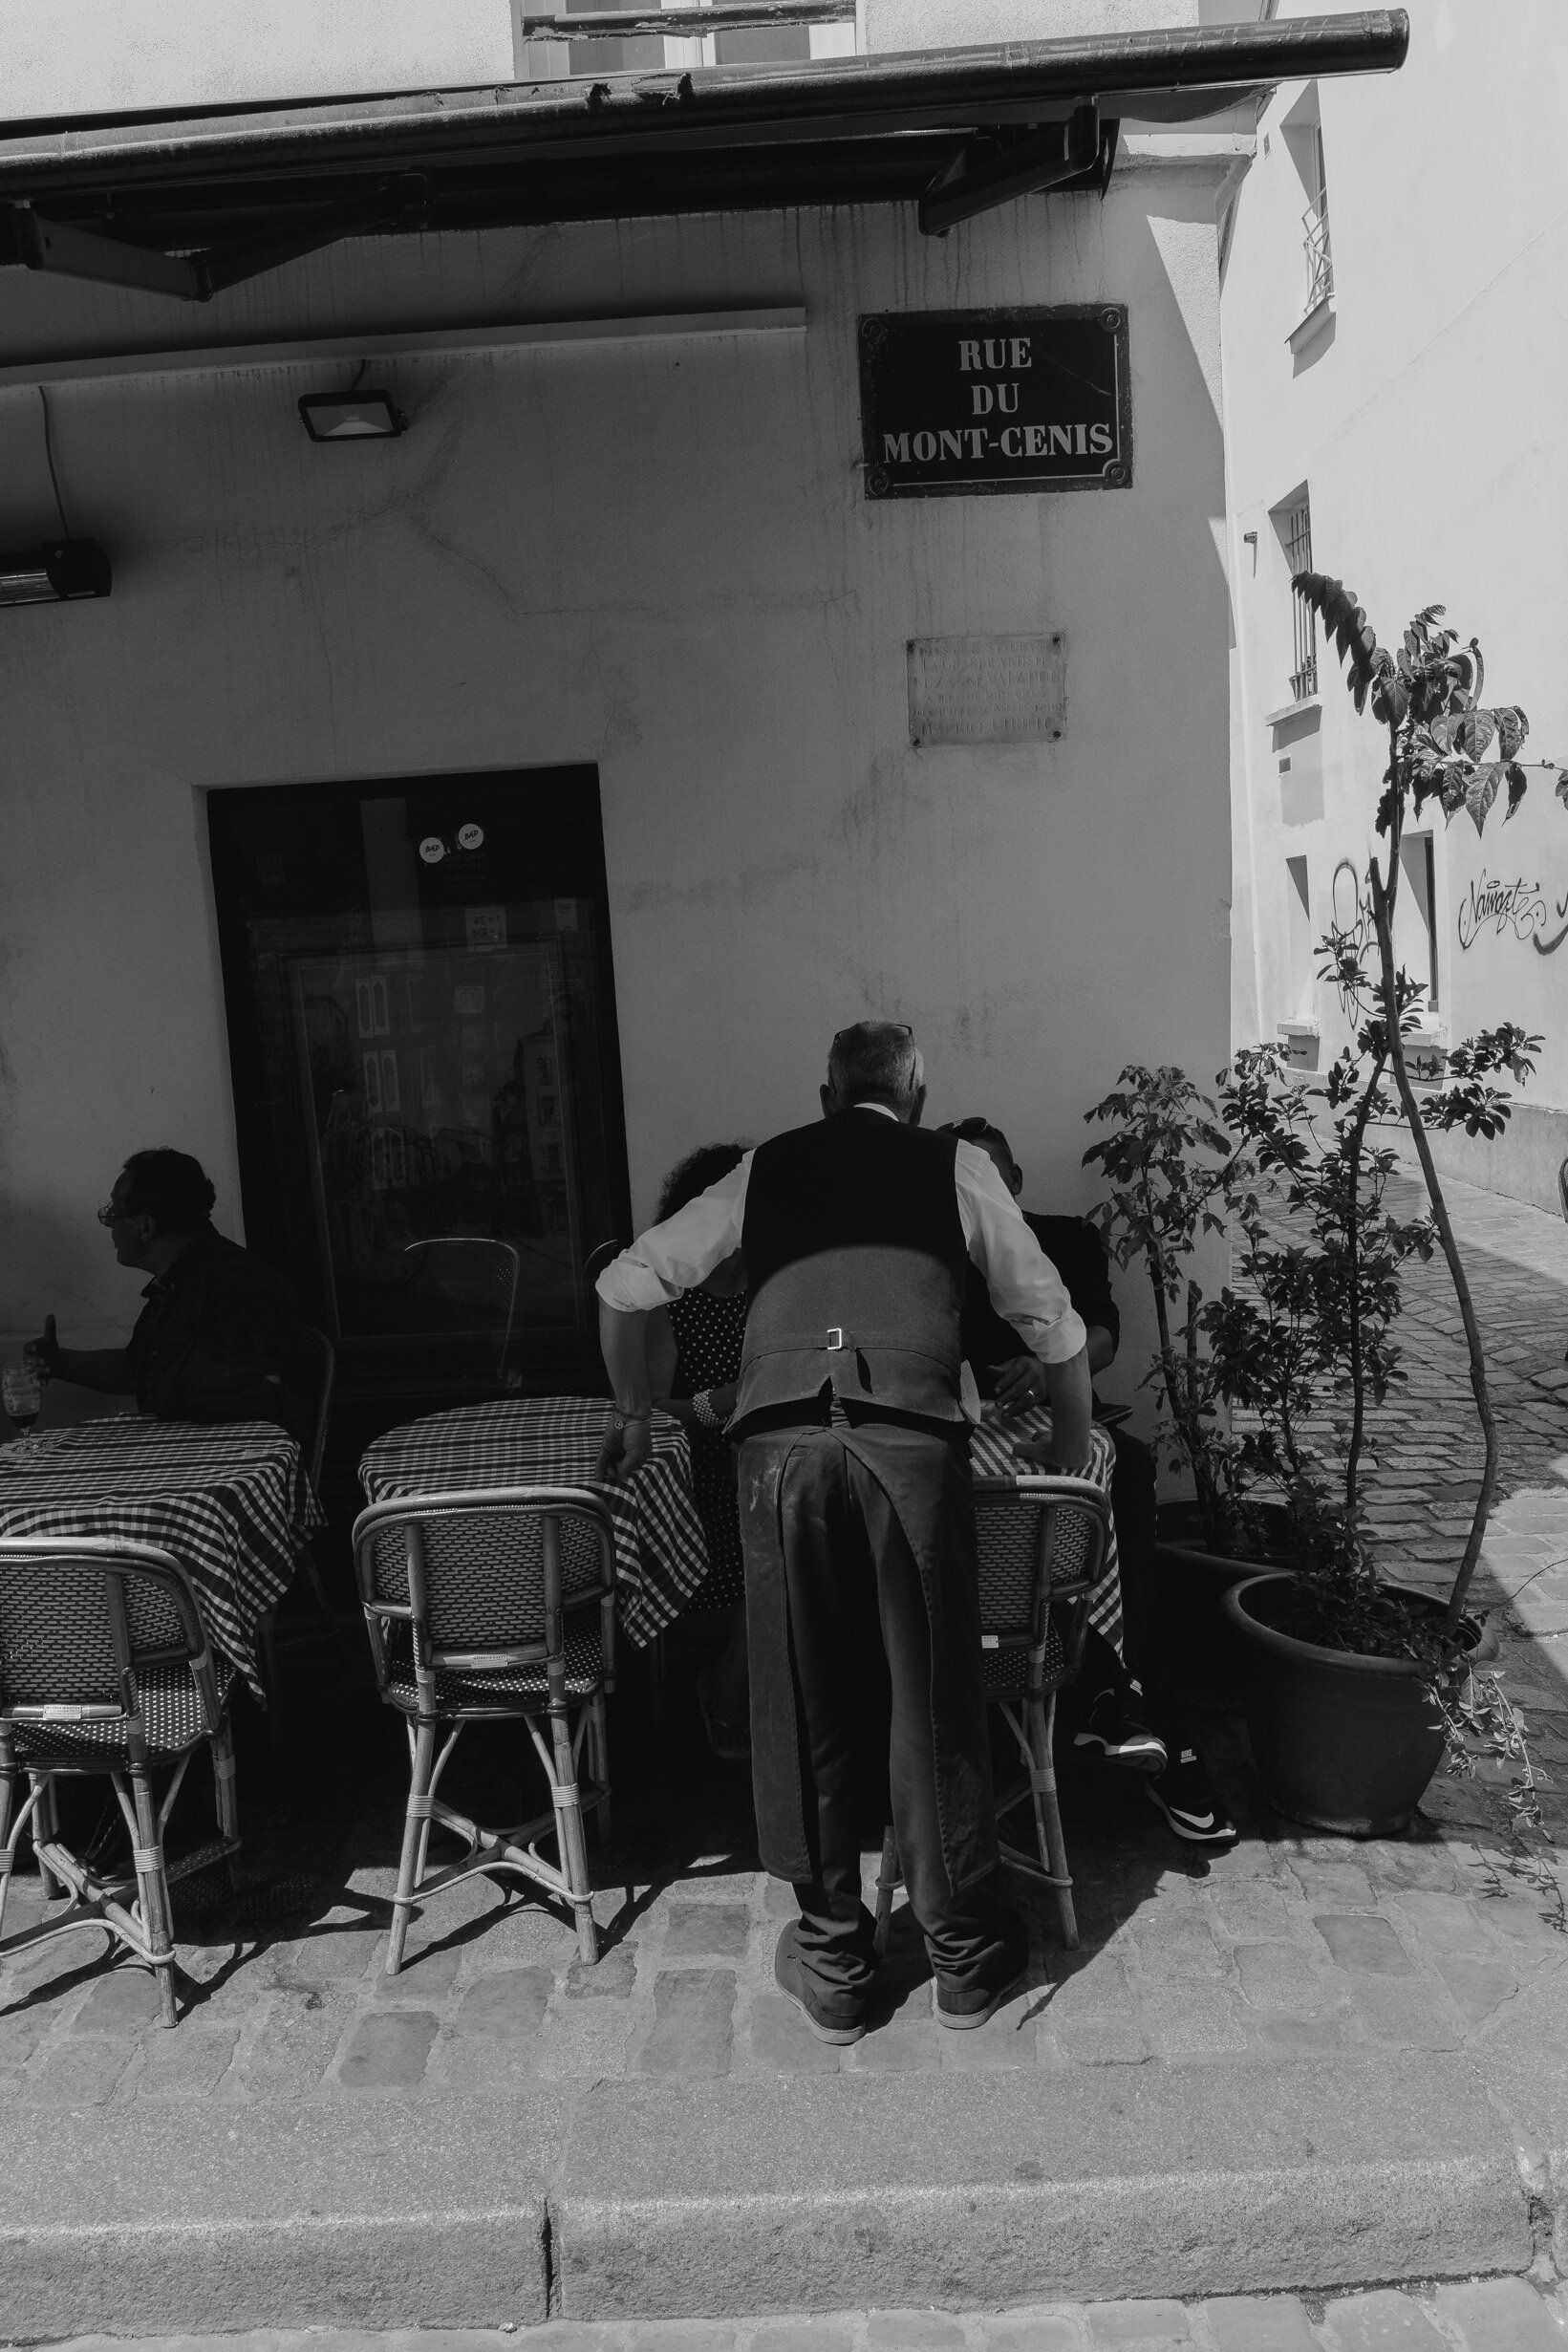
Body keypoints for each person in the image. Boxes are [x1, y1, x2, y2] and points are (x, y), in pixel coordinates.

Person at [595, 1022, 1092, 2045]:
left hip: (776, 1451)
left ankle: (832, 1962)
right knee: (934, 1694)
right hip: (909, 1445)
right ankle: (961, 1958)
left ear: (826, 1094)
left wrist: (639, 1414)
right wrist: (1074, 1447)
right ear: (916, 1096)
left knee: (798, 1691)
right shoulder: (951, 1162)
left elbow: (624, 1285)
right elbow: (1050, 1316)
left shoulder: (764, 1167)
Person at [941, 1115, 1236, 1848]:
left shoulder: (1064, 1238)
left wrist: (1048, 1375)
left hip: (1059, 1422)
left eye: (995, 1175)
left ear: (1012, 1182)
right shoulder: (926, 1254)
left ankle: (1143, 1711)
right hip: (958, 1435)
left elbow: (1100, 1335)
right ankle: (1076, 1700)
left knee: (1125, 1469)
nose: (983, 1190)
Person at [28, 1149, 306, 1438]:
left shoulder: (239, 1286)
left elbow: (260, 1409)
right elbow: (137, 1366)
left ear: (145, 1227)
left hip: (229, 1466)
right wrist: (59, 1361)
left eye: (114, 1212)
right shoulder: (177, 1281)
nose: (108, 1222)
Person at [645, 1140, 752, 1759]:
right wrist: (727, 1401)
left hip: (771, 1461)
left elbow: (835, 1335)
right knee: (784, 1553)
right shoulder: (665, 1293)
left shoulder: (777, 1279)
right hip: (696, 1485)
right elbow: (650, 1408)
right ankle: (728, 1694)